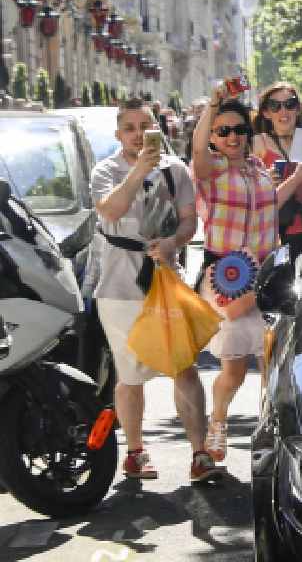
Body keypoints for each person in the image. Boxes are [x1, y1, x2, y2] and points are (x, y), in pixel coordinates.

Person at [90, 98, 221, 483]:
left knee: (183, 366)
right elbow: (109, 211)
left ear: (155, 128)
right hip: (118, 284)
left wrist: (173, 244)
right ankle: (135, 452)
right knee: (129, 374)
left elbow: (189, 222)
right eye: (129, 128)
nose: (136, 135)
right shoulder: (106, 170)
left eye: (144, 126)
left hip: (164, 277)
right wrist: (138, 173)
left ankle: (200, 453)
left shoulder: (174, 169)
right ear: (118, 134)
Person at [192, 82, 296, 463]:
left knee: (274, 363)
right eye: (224, 131)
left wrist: (301, 177)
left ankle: (272, 433)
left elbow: (270, 205)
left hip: (268, 278)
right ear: (214, 138)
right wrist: (213, 105)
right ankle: (216, 427)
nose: (233, 137)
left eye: (239, 130)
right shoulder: (210, 172)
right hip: (229, 278)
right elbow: (197, 151)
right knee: (234, 370)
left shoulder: (258, 169)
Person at [254, 82, 302, 262]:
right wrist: (264, 180)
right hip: (273, 235)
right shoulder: (258, 143)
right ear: (266, 113)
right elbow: (249, 197)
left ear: (298, 110)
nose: (283, 111)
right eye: (274, 106)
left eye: (290, 104)